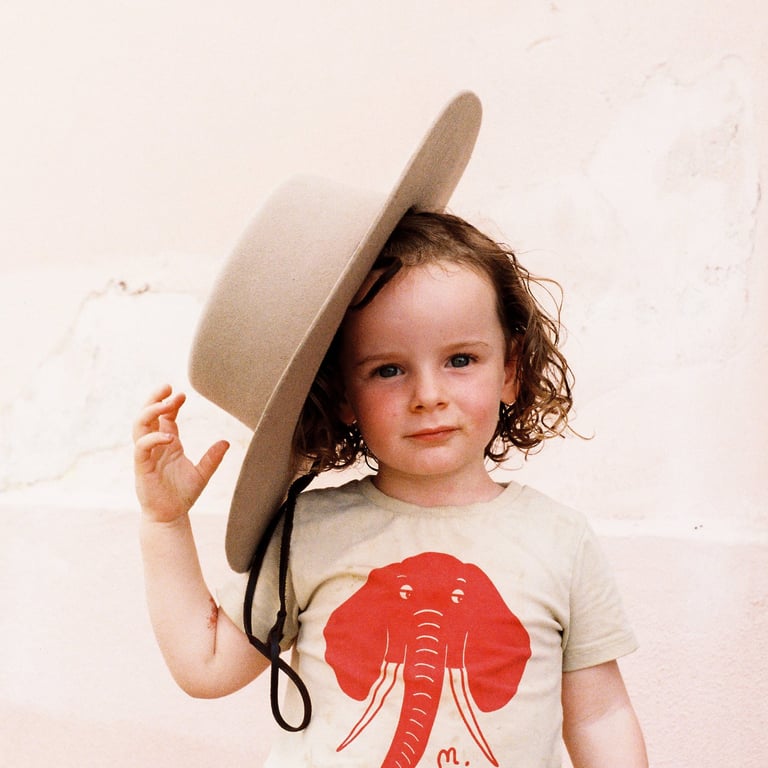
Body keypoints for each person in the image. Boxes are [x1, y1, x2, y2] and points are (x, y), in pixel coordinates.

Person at [134, 94, 647, 768]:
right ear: (343, 397)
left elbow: (602, 715)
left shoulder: (561, 540)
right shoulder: (309, 531)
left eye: (460, 360)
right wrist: (165, 522)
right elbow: (204, 663)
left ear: (511, 372)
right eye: (388, 370)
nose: (428, 396)